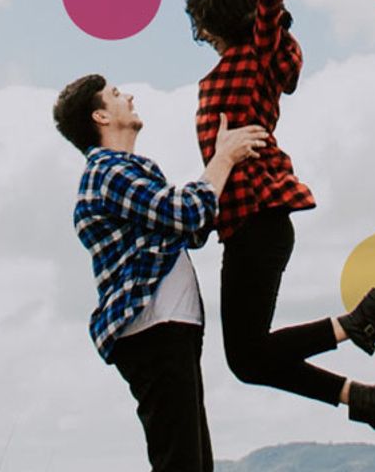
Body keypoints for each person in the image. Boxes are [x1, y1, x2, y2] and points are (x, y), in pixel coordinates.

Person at [185, 0, 375, 462]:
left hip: (260, 221)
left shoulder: (254, 55)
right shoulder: (242, 64)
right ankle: (366, 389)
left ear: (210, 27)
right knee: (248, 358)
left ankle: (363, 333)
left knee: (246, 358)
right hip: (250, 226)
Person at [53, 73, 268, 472]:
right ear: (101, 116)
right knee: (180, 463)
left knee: (192, 463)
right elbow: (185, 213)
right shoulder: (108, 172)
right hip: (154, 330)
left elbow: (189, 227)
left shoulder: (131, 173)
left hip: (168, 329)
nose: (129, 96)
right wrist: (223, 158)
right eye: (116, 94)